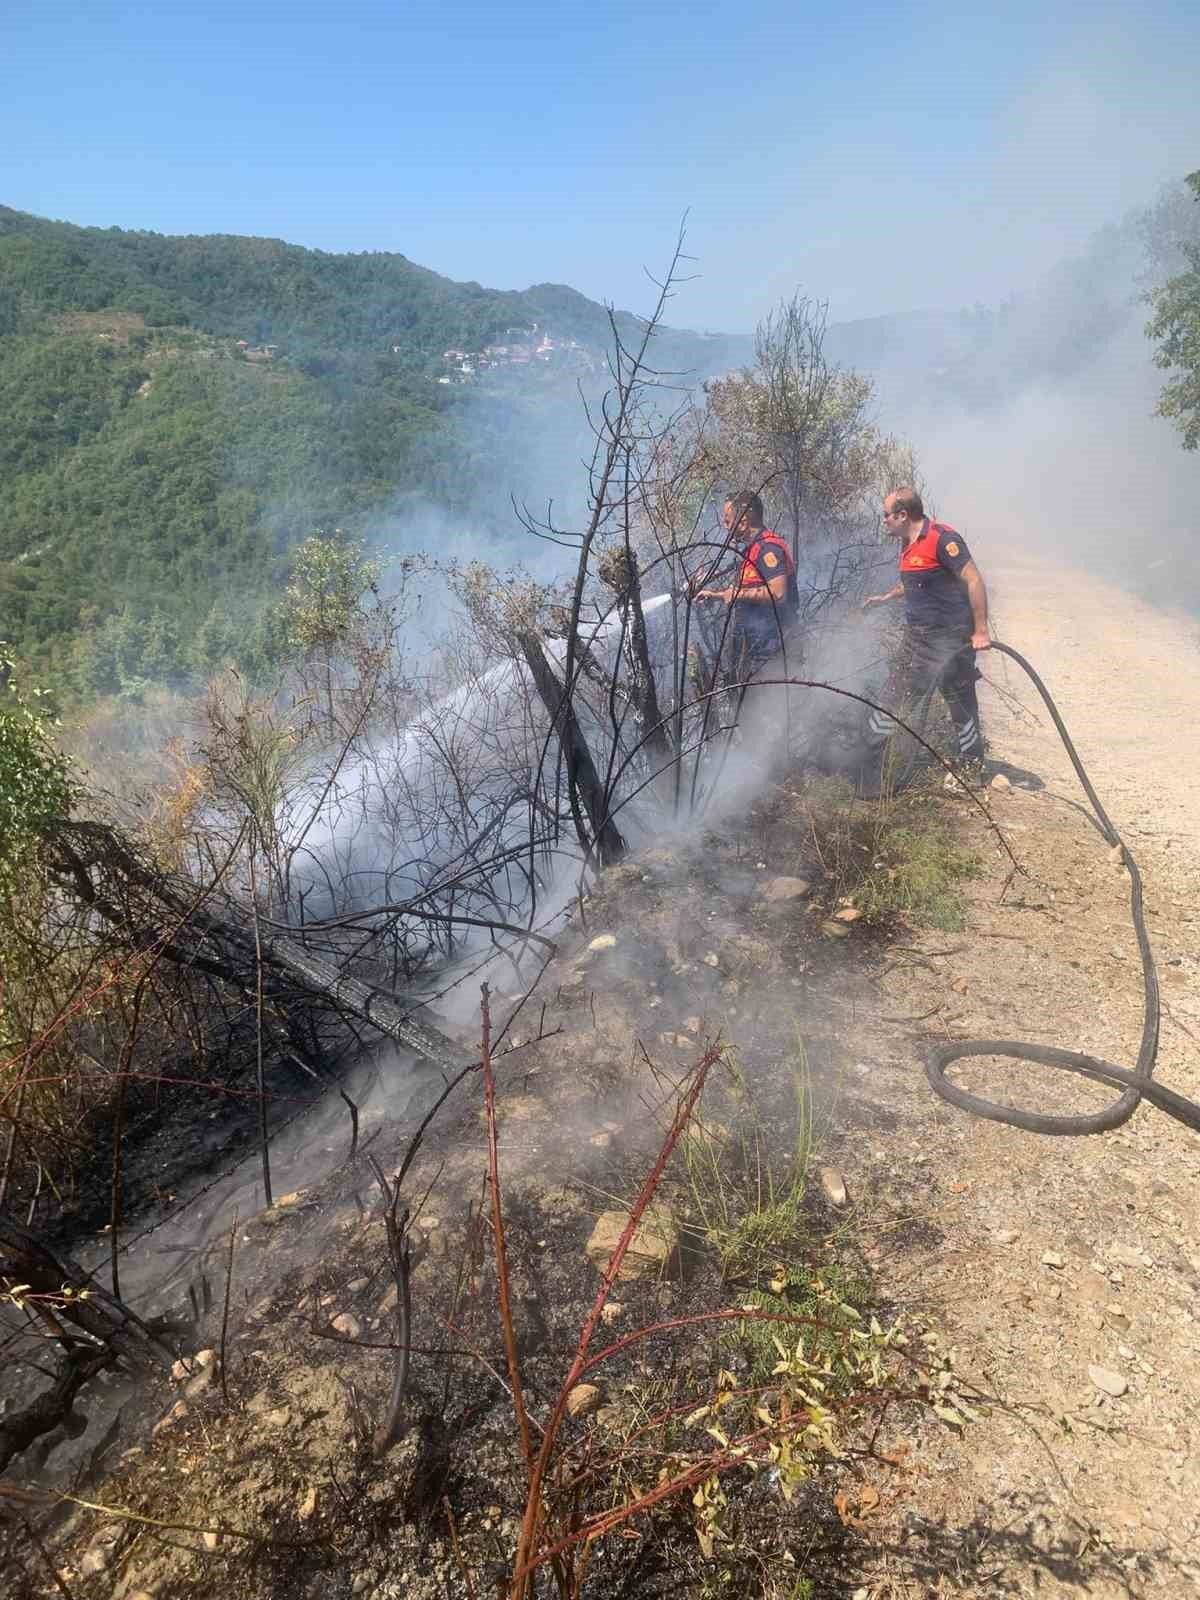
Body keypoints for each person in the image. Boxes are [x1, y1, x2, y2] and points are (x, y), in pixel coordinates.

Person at [858, 486, 991, 787]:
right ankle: (869, 764)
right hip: (916, 639)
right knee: (893, 697)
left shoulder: (943, 539)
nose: (884, 521)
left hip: (952, 640)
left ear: (903, 515)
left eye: (886, 515)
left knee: (960, 703)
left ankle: (971, 769)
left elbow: (973, 579)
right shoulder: (906, 543)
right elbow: (919, 582)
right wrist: (886, 597)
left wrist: (981, 630)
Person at [693, 491, 799, 673]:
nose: (724, 526)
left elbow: (779, 594)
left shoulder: (768, 549)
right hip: (757, 652)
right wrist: (717, 596)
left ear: (743, 522)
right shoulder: (752, 550)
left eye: (727, 520)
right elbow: (749, 593)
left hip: (775, 653)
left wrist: (736, 594)